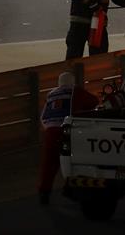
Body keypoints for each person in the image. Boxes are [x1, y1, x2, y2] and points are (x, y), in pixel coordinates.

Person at [38, 72, 99, 205]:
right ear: (73, 82)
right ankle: (71, 190)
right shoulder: (75, 91)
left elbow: (43, 116)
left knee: (49, 163)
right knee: (74, 160)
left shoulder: (51, 94)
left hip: (50, 132)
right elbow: (94, 101)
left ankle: (44, 192)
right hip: (67, 131)